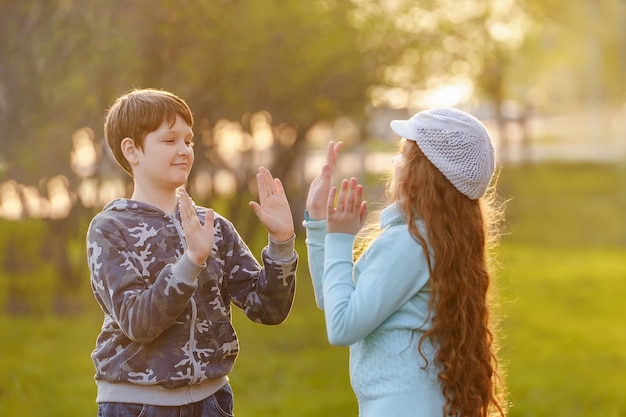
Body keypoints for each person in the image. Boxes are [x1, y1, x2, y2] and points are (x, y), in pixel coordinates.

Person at [86, 88, 297, 417]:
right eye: (170, 140)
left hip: (212, 402)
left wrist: (281, 242)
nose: (184, 150)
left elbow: (267, 308)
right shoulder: (110, 229)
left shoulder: (214, 226)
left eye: (189, 140)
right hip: (137, 405)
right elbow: (137, 323)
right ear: (132, 150)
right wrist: (191, 261)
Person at [304, 107, 507, 417]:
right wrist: (319, 226)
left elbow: (342, 328)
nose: (396, 164)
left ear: (421, 172)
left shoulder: (409, 244)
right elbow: (335, 302)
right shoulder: (436, 239)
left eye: (403, 155)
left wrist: (342, 239)